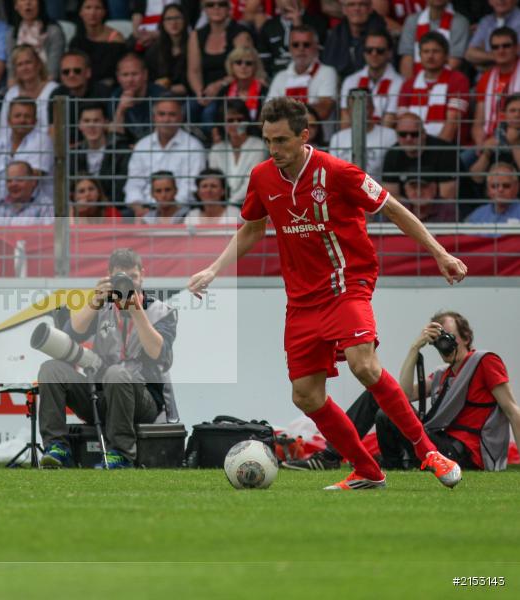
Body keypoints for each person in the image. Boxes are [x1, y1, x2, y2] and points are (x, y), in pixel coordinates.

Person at [188, 97, 469, 491]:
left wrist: (439, 253)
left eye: (282, 140)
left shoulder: (338, 172)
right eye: (268, 140)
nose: (274, 149)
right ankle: (367, 471)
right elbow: (252, 228)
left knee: (364, 365)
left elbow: (392, 208)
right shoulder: (263, 177)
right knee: (305, 395)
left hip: (347, 283)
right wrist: (214, 269)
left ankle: (429, 452)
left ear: (304, 136)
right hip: (301, 299)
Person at [284, 311, 520, 472]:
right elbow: (403, 396)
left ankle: (333, 456)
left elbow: (512, 411)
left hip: (466, 453)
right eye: (439, 338)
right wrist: (414, 348)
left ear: (466, 337)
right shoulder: (442, 374)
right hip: (441, 444)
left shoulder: (484, 361)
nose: (444, 343)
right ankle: (357, 459)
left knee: (385, 412)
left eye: (449, 337)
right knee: (377, 396)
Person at [38, 248, 177, 469]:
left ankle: (121, 454)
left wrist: (137, 311)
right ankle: (57, 448)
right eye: (121, 278)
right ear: (109, 276)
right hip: (99, 394)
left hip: (144, 400)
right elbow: (71, 334)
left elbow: (157, 353)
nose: (128, 283)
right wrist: (95, 301)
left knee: (116, 373)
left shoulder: (162, 311)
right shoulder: (102, 308)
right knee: (51, 369)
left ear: (143, 275)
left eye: (132, 277)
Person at [124, 97, 206, 217]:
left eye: (172, 114)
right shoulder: (142, 145)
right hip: (144, 209)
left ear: (181, 118)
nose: (166, 119)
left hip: (181, 210)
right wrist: (138, 208)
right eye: (161, 114)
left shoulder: (194, 146)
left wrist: (169, 209)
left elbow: (192, 187)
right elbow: (133, 183)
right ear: (154, 118)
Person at [187, 0, 255, 128]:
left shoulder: (240, 34)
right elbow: (193, 70)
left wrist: (219, 85)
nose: (216, 8)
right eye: (210, 4)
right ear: (204, 9)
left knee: (209, 114)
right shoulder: (196, 35)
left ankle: (214, 144)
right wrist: (200, 93)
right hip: (205, 90)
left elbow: (243, 69)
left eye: (221, 4)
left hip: (230, 89)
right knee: (186, 110)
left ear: (229, 8)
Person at [397, 31, 470, 145]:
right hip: (411, 147)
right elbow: (402, 122)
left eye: (436, 51)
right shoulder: (408, 84)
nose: (430, 56)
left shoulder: (459, 80)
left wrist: (435, 152)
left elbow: (453, 122)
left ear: (446, 55)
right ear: (420, 55)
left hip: (448, 149)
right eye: (426, 51)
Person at [0, 97, 53, 200]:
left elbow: (33, 179)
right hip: (2, 207)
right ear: (9, 120)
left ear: (35, 121)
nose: (22, 120)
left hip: (37, 206)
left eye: (27, 116)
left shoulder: (43, 141)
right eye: (17, 116)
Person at [266, 25, 337, 124]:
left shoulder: (327, 72)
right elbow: (266, 116)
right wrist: (310, 108)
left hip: (320, 139)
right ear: (289, 48)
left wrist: (282, 111)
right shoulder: (280, 77)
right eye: (295, 45)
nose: (301, 49)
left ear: (316, 47)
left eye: (306, 44)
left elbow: (323, 111)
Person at [381, 112, 458, 201]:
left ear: (424, 134)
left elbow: (447, 198)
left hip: (449, 211)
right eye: (403, 134)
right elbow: (392, 198)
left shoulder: (444, 152)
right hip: (408, 210)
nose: (408, 139)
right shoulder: (392, 154)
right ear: (397, 136)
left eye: (414, 134)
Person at [469, 28, 520, 159]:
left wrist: (501, 139)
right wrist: (482, 146)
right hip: (489, 142)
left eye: (506, 46)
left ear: (516, 48)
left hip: (516, 140)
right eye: (495, 47)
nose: (501, 50)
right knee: (459, 164)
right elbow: (478, 123)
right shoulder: (486, 78)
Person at [46, 50, 113, 147]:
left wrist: (82, 146)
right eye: (66, 72)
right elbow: (53, 131)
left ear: (88, 73)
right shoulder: (56, 94)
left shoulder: (103, 92)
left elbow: (111, 127)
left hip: (100, 148)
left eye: (77, 71)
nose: (71, 75)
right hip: (68, 152)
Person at [338, 30, 402, 129]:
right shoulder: (350, 81)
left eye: (380, 50)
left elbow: (389, 121)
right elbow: (345, 120)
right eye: (369, 50)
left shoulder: (400, 82)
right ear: (364, 53)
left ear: (389, 53)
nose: (374, 54)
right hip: (354, 137)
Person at [70, 102, 130, 207]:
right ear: (80, 125)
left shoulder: (121, 151)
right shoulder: (72, 154)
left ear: (105, 123)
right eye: (87, 121)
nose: (91, 125)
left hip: (112, 208)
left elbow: (120, 190)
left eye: (96, 120)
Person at [328, 92, 397, 183]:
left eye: (365, 107)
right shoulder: (337, 137)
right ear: (348, 111)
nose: (360, 112)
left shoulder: (390, 135)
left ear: (373, 109)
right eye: (354, 108)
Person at [208, 99, 265, 206]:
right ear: (222, 123)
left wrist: (230, 204)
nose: (236, 124)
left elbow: (252, 183)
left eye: (240, 119)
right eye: (230, 120)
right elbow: (215, 181)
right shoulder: (216, 149)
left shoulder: (258, 145)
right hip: (222, 205)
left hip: (251, 203)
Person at [0, 44, 59, 138]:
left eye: (28, 62)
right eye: (20, 64)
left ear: (38, 64)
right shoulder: (11, 94)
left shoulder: (54, 90)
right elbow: (3, 131)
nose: (25, 68)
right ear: (16, 70)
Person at [397, 0, 469, 78]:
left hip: (447, 81)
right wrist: (412, 85)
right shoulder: (412, 20)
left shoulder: (460, 22)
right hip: (416, 83)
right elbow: (407, 60)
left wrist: (432, 83)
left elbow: (454, 62)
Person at [257, 0, 328, 78]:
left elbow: (318, 56)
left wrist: (298, 24)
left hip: (308, 74)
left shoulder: (317, 22)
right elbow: (263, 61)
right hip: (276, 75)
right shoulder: (269, 26)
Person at [109, 53, 167, 144]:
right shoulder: (115, 97)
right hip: (128, 148)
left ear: (145, 74)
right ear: (118, 77)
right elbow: (114, 137)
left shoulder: (161, 95)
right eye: (125, 75)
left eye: (134, 74)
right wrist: (120, 111)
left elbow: (165, 131)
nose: (130, 80)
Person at [321, 0, 387, 79]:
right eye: (351, 5)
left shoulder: (383, 35)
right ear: (344, 10)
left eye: (362, 4)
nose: (357, 9)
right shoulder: (334, 36)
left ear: (370, 8)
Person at [69, 0, 127, 87]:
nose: (93, 13)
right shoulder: (76, 41)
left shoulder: (116, 39)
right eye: (88, 8)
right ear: (80, 12)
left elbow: (116, 71)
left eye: (98, 8)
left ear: (104, 12)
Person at [5, 0, 64, 82]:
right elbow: (11, 75)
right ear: (16, 6)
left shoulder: (53, 31)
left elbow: (52, 73)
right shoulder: (11, 34)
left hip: (46, 86)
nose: (28, 2)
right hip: (20, 87)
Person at [0, 159, 54, 225]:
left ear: (33, 181)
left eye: (19, 180)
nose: (13, 184)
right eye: (9, 181)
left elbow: (49, 235)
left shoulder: (45, 206)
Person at [144, 4, 190, 97]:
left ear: (185, 20)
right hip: (161, 96)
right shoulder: (154, 51)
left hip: (189, 96)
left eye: (177, 18)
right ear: (163, 23)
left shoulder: (194, 46)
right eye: (169, 19)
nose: (173, 23)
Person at [217, 46, 269, 124]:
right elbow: (218, 119)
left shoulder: (264, 91)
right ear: (231, 66)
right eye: (238, 62)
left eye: (249, 63)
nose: (243, 66)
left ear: (255, 67)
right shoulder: (224, 91)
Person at [465, 0, 520, 70]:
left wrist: (483, 59)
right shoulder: (486, 21)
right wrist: (501, 56)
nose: (501, 1)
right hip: (487, 77)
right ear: (489, 1)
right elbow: (470, 54)